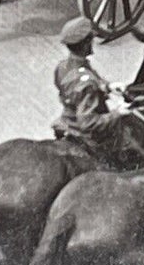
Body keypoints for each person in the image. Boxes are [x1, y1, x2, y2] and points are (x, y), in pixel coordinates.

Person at [51, 18, 125, 160]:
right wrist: (118, 113)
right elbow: (89, 123)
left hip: (67, 121)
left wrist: (108, 86)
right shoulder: (87, 82)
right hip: (85, 135)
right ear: (86, 44)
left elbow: (72, 86)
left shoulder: (62, 66)